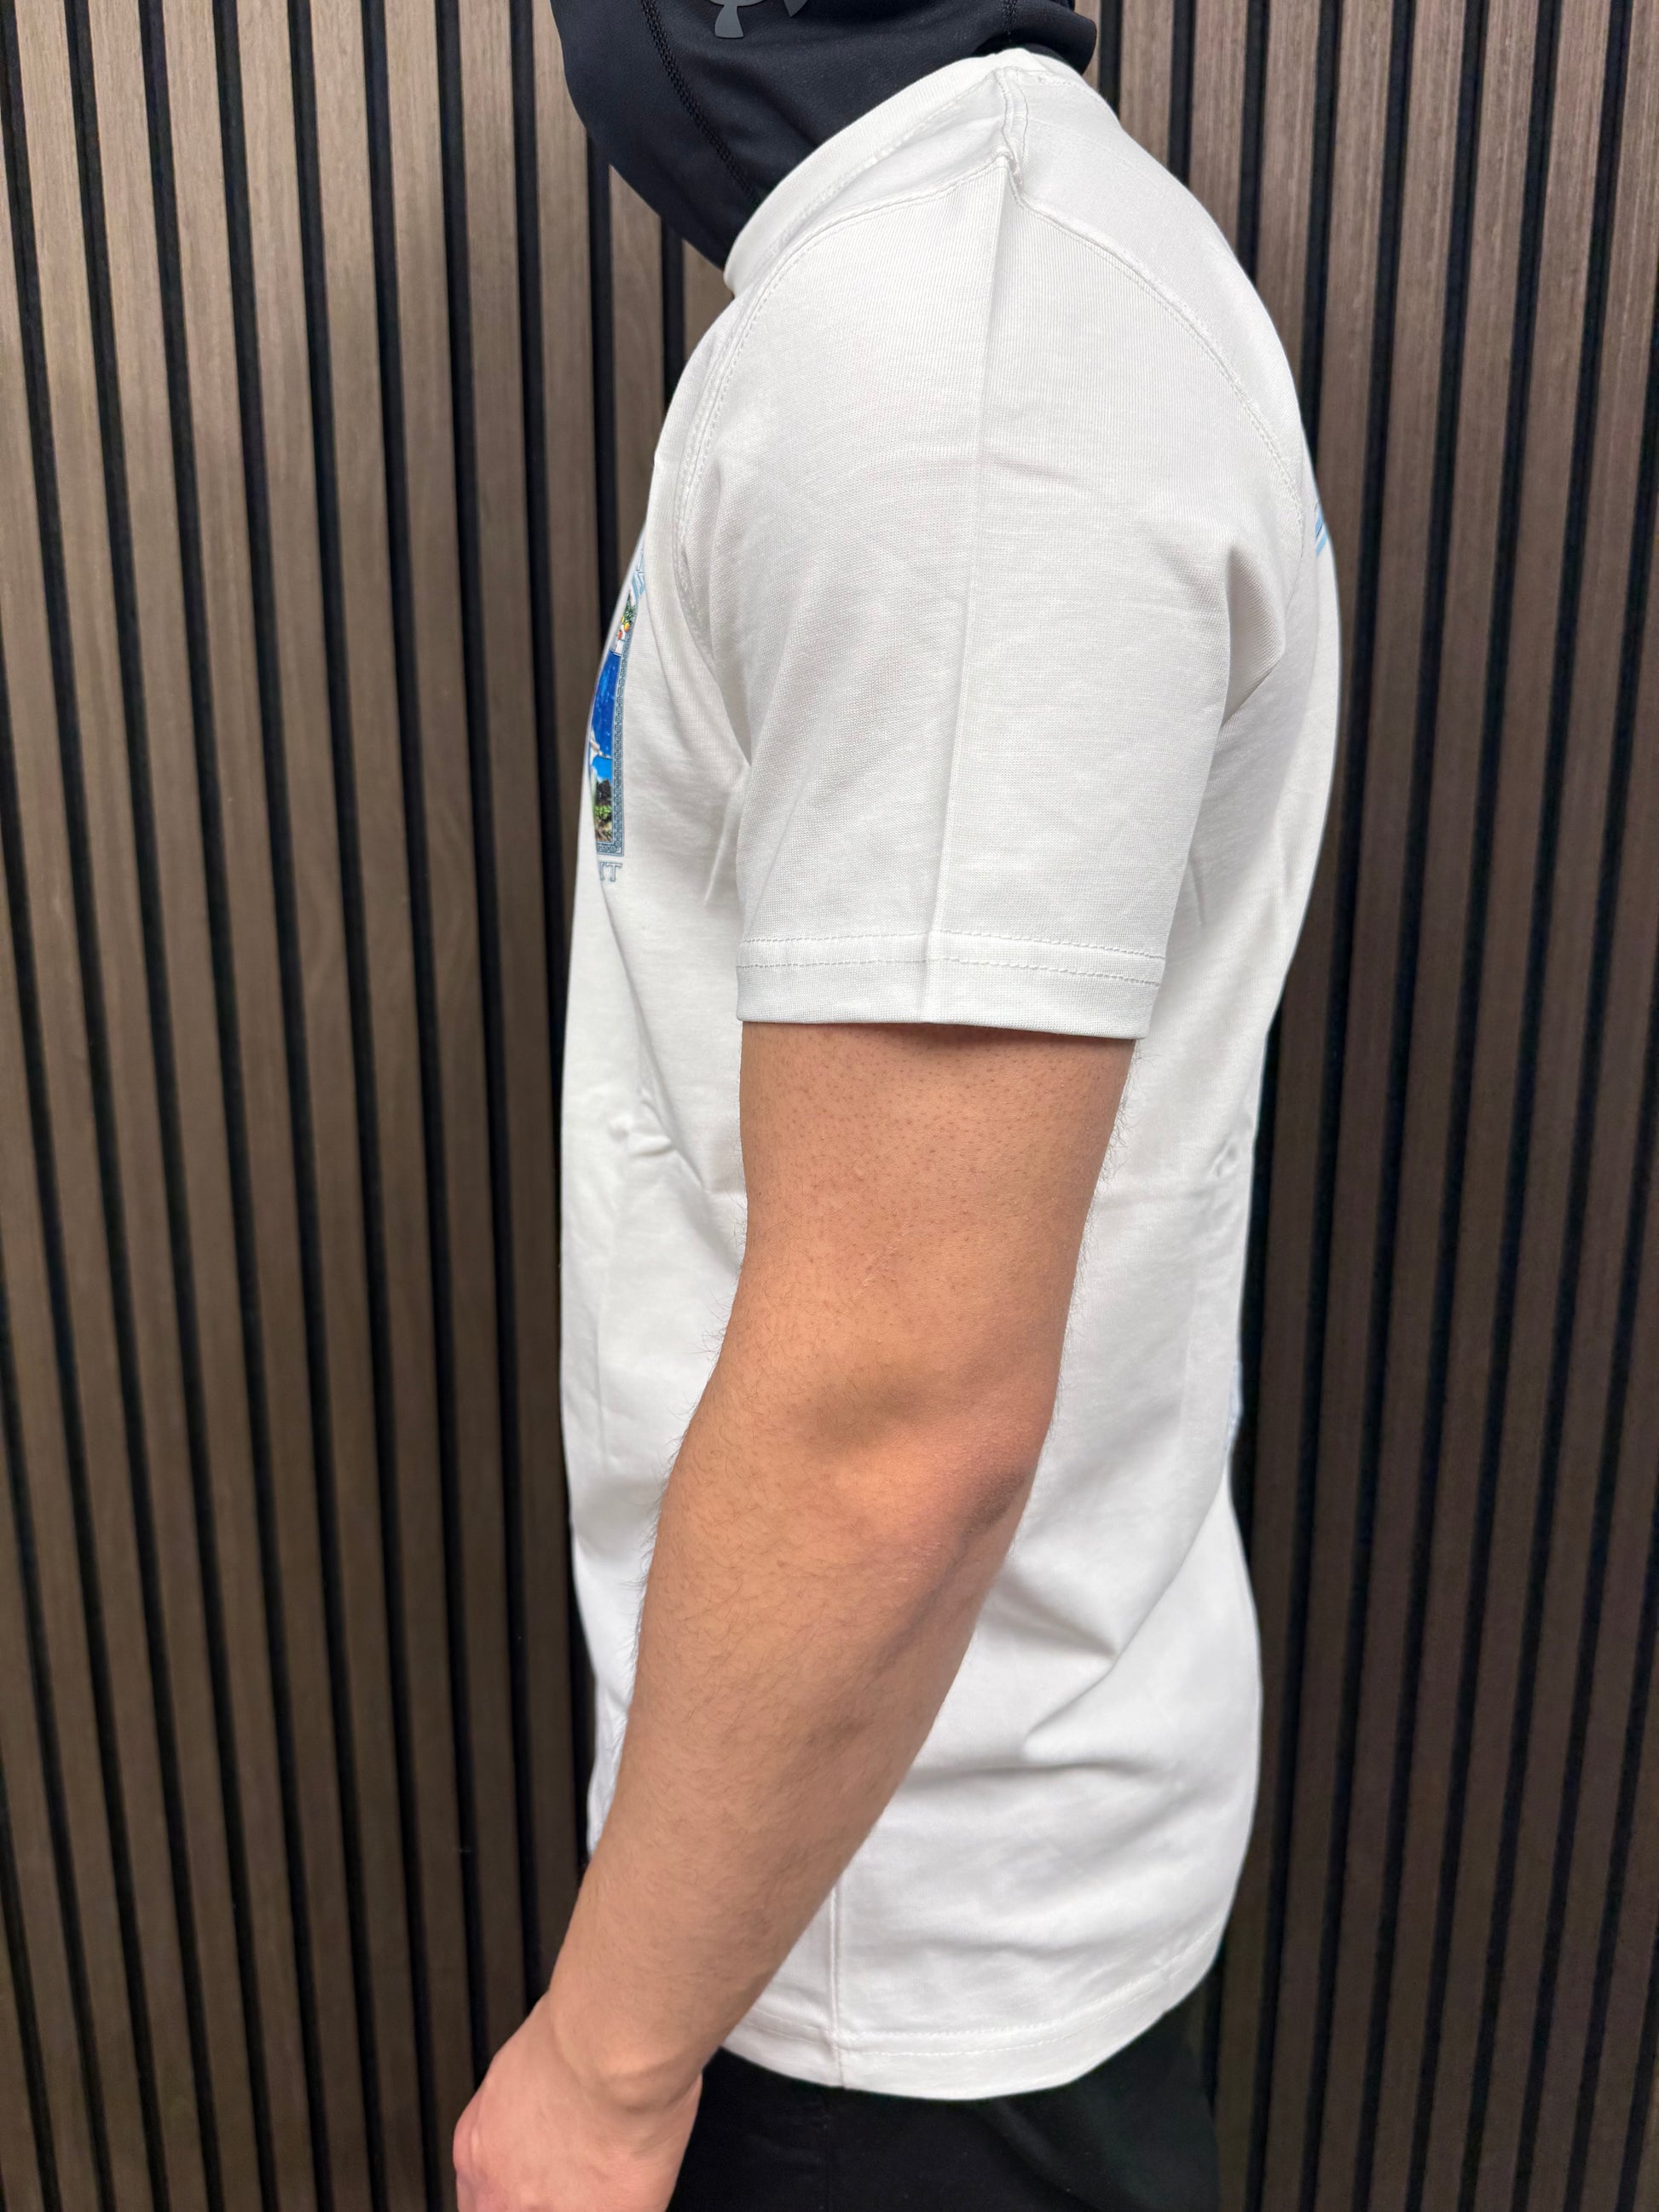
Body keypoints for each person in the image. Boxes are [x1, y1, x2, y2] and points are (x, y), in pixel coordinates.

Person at [454, 1, 1339, 2204]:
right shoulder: (947, 295)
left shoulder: (959, 362)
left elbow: (898, 1411)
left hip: (897, 1949)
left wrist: (606, 2067)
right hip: (874, 1859)